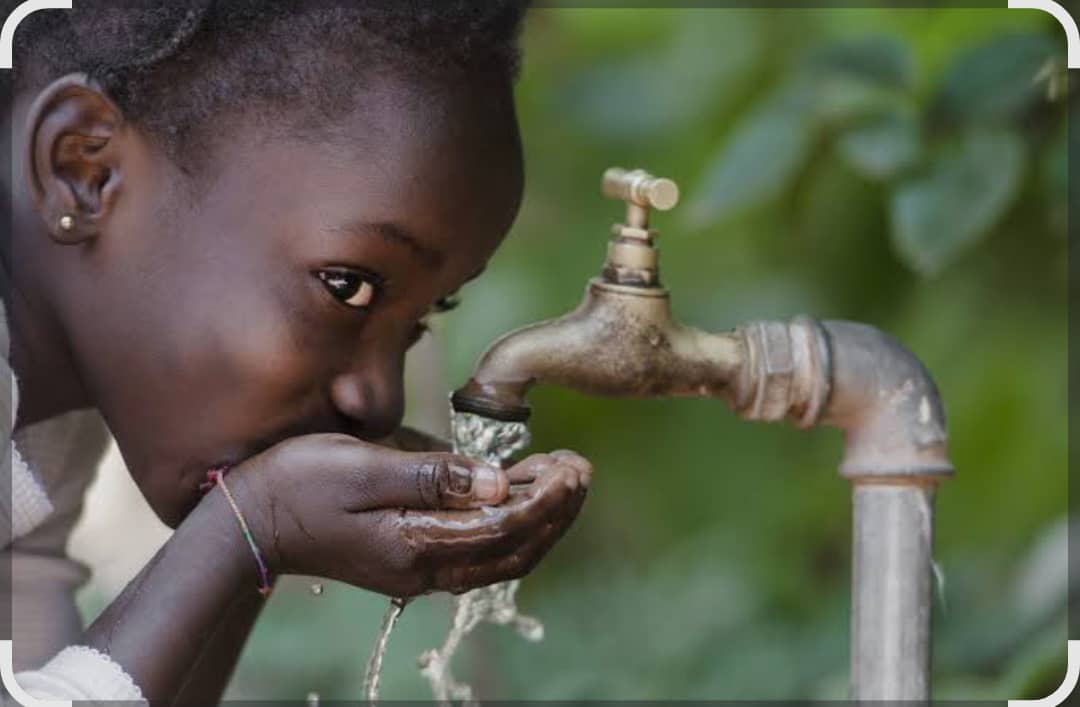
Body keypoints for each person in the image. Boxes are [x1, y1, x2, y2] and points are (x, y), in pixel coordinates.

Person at [0, 1, 593, 702]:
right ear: (85, 169)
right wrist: (250, 527)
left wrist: (262, 529)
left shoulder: (44, 424)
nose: (377, 400)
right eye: (348, 286)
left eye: (423, 318)